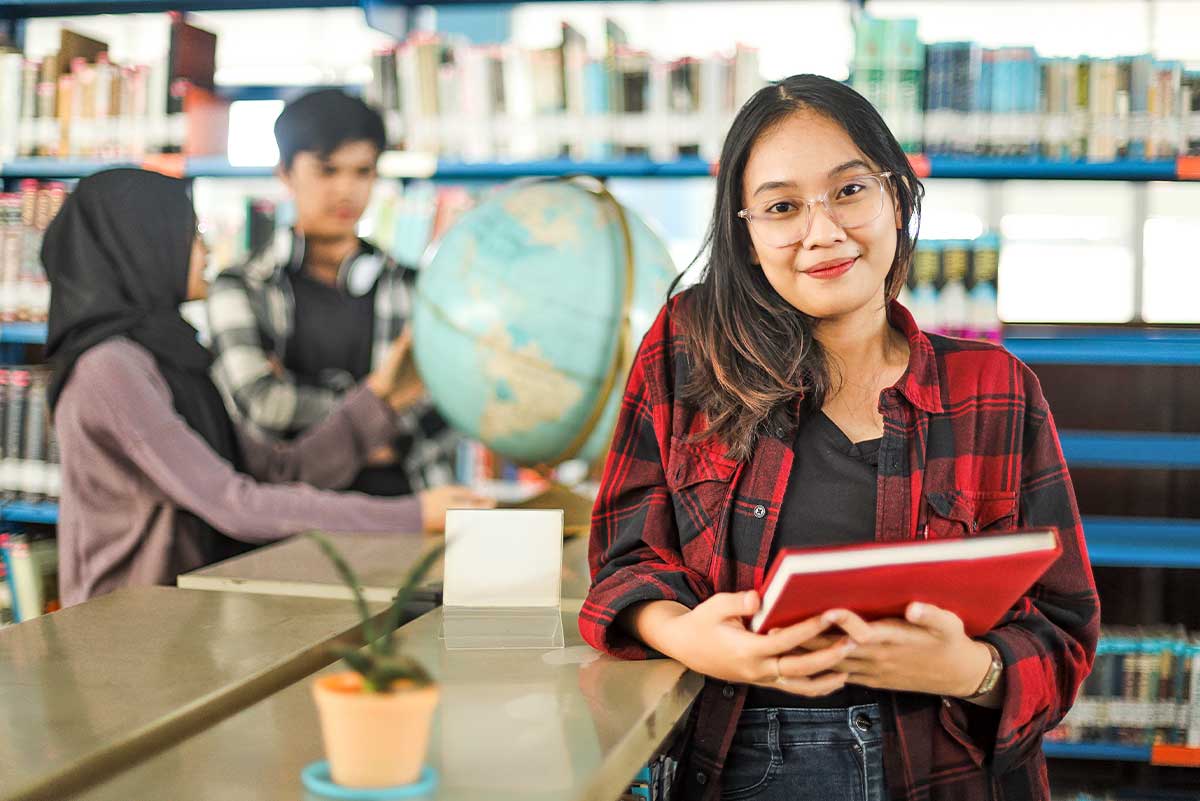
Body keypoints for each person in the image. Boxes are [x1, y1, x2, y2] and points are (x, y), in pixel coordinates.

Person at [579, 74, 1099, 801]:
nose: (821, 233)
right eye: (782, 207)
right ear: (748, 237)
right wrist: (687, 635)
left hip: (940, 767)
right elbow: (624, 561)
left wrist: (971, 670)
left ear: (897, 195)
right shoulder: (687, 348)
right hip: (731, 759)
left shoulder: (996, 387)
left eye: (849, 191)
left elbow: (1066, 634)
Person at [44, 169, 492, 607]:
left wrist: (382, 396)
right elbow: (233, 503)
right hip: (122, 631)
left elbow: (279, 471)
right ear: (144, 244)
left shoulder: (172, 355)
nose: (205, 249)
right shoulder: (109, 369)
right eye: (192, 232)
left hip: (188, 612)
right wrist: (414, 516)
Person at [206, 88, 455, 497]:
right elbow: (263, 408)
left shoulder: (412, 287)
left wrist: (311, 415)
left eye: (363, 172)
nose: (347, 191)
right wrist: (385, 401)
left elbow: (444, 413)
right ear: (284, 172)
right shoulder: (241, 287)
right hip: (286, 515)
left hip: (407, 508)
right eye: (327, 170)